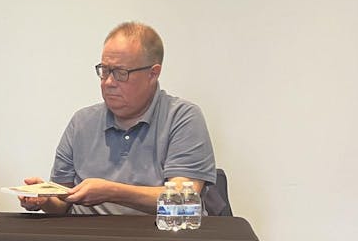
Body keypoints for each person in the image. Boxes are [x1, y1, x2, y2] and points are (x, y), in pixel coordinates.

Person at [20, 21, 215, 215]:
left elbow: (181, 201)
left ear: (153, 74)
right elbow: (61, 204)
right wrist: (44, 199)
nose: (109, 82)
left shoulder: (182, 118)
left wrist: (112, 192)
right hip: (87, 240)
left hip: (158, 239)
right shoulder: (81, 122)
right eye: (104, 70)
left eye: (121, 73)